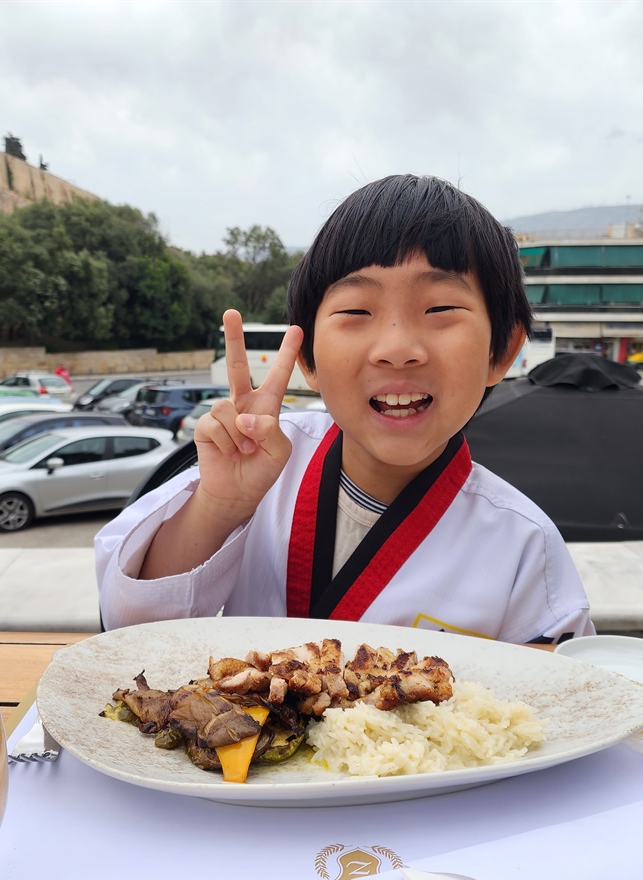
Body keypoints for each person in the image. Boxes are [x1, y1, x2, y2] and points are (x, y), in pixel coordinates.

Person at [95, 174, 593, 644]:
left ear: (501, 352)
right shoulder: (262, 462)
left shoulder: (524, 544)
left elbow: (555, 706)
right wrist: (220, 508)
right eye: (356, 311)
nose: (397, 348)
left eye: (440, 309)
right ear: (308, 359)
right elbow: (128, 631)